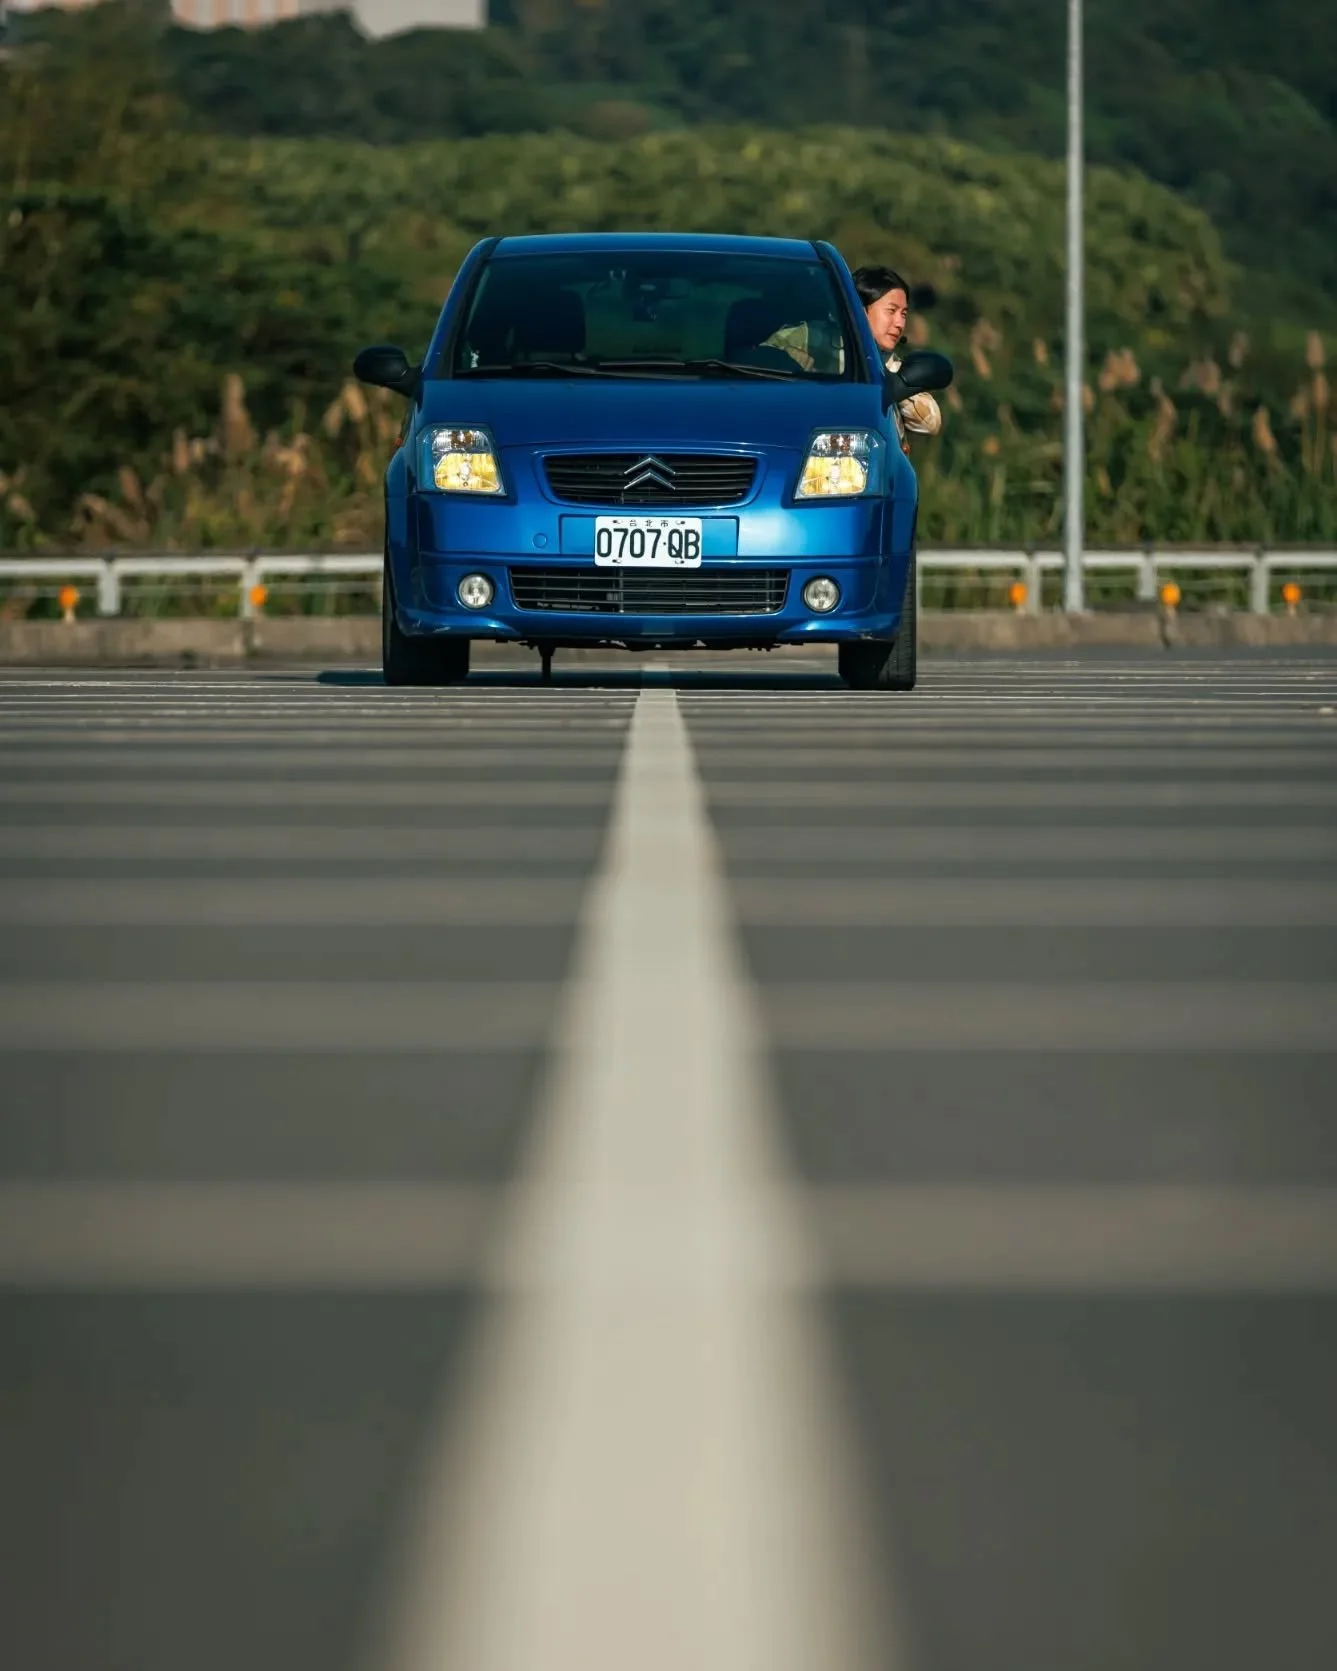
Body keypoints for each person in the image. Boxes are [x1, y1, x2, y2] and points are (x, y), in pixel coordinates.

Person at [852, 264, 943, 451]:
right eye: (891, 311)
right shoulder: (812, 344)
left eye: (903, 314)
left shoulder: (892, 367)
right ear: (860, 311)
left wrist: (890, 378)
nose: (900, 323)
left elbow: (930, 422)